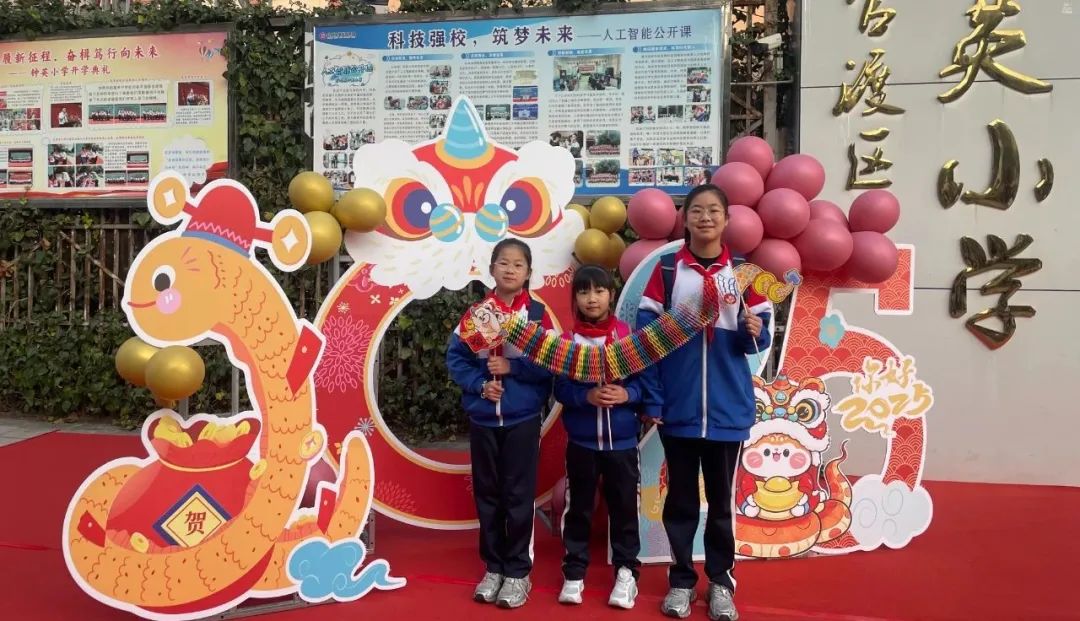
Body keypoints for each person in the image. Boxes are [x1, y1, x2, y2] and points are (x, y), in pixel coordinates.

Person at [636, 183, 772, 621]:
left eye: (714, 210)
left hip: (729, 411)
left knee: (721, 504)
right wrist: (654, 399)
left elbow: (760, 340)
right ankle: (680, 581)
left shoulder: (744, 274)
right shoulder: (667, 272)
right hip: (679, 409)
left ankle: (720, 584)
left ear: (727, 219)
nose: (706, 217)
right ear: (686, 219)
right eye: (697, 210)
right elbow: (645, 343)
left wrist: (754, 330)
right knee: (679, 501)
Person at [446, 238, 555, 609]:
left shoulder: (536, 316)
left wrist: (513, 367)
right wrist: (481, 385)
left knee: (518, 496)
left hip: (522, 418)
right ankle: (493, 567)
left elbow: (549, 366)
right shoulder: (479, 314)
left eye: (518, 264)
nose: (510, 269)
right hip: (484, 420)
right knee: (488, 496)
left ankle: (518, 572)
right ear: (491, 269)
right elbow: (457, 360)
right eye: (503, 263)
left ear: (528, 273)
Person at [553, 265, 659, 610]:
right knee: (578, 509)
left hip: (623, 445)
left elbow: (645, 384)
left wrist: (627, 395)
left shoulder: (628, 338)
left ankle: (627, 573)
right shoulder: (567, 342)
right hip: (582, 444)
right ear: (576, 298)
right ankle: (574, 572)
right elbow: (560, 389)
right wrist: (586, 396)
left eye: (599, 291)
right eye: (584, 292)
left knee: (625, 509)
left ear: (611, 295)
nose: (592, 298)